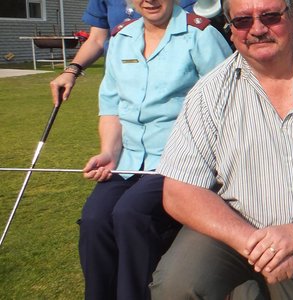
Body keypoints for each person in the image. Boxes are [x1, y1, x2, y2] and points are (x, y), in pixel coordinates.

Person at [147, 0, 293, 297]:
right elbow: (178, 191)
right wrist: (256, 244)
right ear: (231, 29)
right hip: (231, 236)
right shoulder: (208, 94)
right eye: (243, 21)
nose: (257, 29)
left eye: (270, 16)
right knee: (175, 286)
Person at [76, 0, 230, 298]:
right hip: (129, 160)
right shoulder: (121, 39)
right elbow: (111, 107)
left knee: (131, 213)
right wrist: (108, 151)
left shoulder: (199, 35)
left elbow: (227, 104)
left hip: (181, 161)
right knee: (95, 219)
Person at [48, 0, 197, 106]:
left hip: (174, 94)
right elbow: (96, 40)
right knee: (113, 147)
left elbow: (197, 36)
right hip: (122, 92)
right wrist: (72, 70)